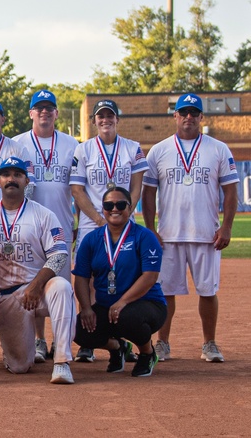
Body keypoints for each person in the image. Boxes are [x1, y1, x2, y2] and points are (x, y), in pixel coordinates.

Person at [142, 93, 238, 363]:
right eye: (183, 112)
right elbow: (148, 194)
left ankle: (209, 343)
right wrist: (150, 228)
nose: (188, 117)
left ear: (201, 117)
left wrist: (227, 227)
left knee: (208, 291)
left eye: (194, 113)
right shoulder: (159, 150)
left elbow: (231, 191)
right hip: (169, 235)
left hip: (206, 234)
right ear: (174, 116)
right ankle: (163, 343)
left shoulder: (218, 149)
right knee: (166, 291)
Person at [0, 156, 75, 385]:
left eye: (17, 175)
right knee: (19, 366)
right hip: (6, 297)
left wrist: (36, 286)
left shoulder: (43, 214)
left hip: (39, 289)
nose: (11, 179)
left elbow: (59, 255)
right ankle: (26, 351)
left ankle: (62, 362)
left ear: (27, 181)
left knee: (62, 287)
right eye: (6, 175)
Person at [69, 98, 149, 363]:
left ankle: (127, 337)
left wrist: (123, 214)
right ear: (94, 121)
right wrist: (101, 218)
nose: (105, 120)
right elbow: (77, 190)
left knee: (127, 277)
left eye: (110, 116)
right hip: (94, 223)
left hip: (125, 223)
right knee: (87, 280)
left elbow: (137, 186)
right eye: (100, 116)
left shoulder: (132, 148)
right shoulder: (83, 150)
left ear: (117, 120)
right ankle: (90, 342)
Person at [12, 90, 79, 364]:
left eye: (49, 108)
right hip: (29, 227)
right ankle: (38, 340)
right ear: (30, 113)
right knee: (32, 282)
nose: (44, 112)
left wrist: (76, 221)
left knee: (61, 284)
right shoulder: (17, 144)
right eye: (38, 108)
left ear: (56, 113)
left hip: (61, 224)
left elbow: (77, 186)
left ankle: (60, 341)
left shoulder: (72, 144)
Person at [73, 187, 165, 377]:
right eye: (109, 205)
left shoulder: (144, 236)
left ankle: (147, 353)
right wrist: (86, 308)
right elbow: (81, 277)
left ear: (130, 208)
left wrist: (123, 302)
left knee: (127, 318)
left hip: (146, 304)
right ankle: (117, 347)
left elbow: (150, 276)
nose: (114, 209)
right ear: (103, 209)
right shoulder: (92, 239)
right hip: (107, 306)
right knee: (77, 330)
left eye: (120, 204)